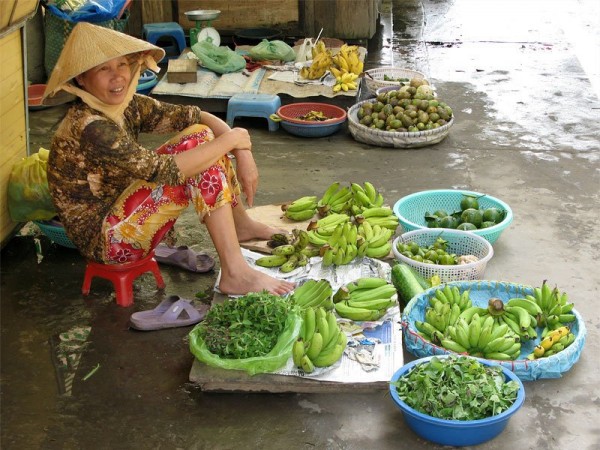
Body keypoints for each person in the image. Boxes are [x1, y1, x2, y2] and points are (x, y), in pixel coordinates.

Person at [41, 22, 294, 296]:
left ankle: (240, 225)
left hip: (126, 214)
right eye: (104, 69)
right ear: (81, 79)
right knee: (199, 146)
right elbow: (164, 171)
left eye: (122, 65)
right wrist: (233, 139)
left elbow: (194, 116)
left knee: (200, 135)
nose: (117, 77)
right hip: (109, 243)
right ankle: (235, 272)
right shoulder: (91, 127)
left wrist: (243, 152)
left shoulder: (126, 105)